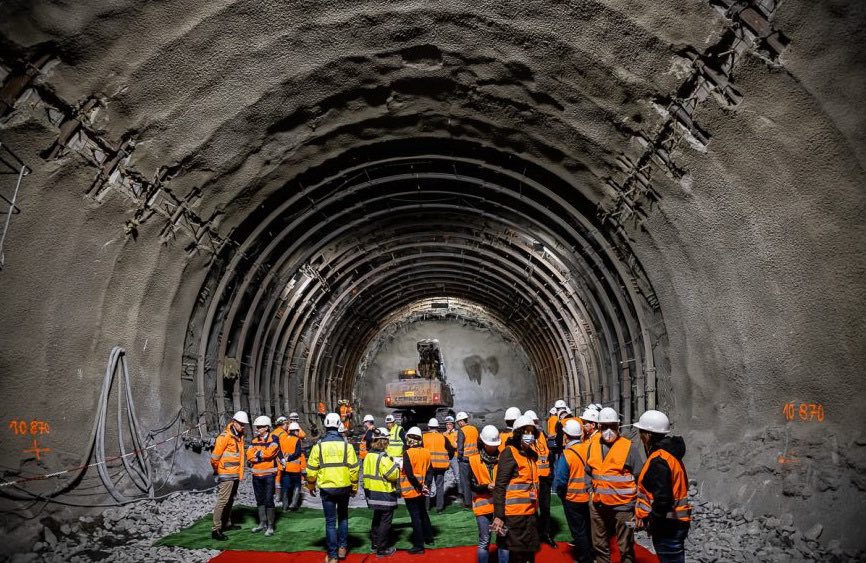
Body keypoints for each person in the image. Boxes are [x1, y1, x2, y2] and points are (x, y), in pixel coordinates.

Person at [586, 407, 643, 563]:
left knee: (626, 547)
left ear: (618, 427)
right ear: (599, 427)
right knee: (599, 545)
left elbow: (640, 477)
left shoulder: (628, 447)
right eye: (605, 427)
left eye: (612, 426)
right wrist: (590, 492)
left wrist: (638, 506)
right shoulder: (593, 446)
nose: (608, 430)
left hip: (623, 507)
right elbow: (588, 471)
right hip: (598, 505)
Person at [633, 410, 691, 563]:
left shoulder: (659, 460)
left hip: (668, 526)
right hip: (676, 523)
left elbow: (663, 500)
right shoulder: (669, 455)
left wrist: (651, 521)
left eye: (641, 432)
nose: (640, 437)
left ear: (648, 435)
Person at [306, 412, 360, 563]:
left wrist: (311, 485)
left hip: (327, 488)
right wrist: (354, 486)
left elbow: (311, 470)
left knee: (330, 522)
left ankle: (333, 555)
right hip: (344, 487)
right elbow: (354, 469)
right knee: (343, 517)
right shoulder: (347, 446)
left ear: (326, 426)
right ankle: (342, 548)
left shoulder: (318, 447)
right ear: (338, 426)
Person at [490, 415, 540, 563]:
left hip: (530, 513)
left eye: (532, 432)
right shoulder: (509, 453)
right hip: (514, 515)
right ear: (518, 433)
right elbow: (500, 486)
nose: (529, 436)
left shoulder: (530, 455)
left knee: (528, 554)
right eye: (526, 432)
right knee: (516, 555)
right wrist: (499, 515)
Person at [469, 425, 509, 563]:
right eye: (489, 445)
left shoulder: (503, 458)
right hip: (483, 506)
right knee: (484, 541)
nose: (493, 447)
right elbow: (471, 485)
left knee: (503, 540)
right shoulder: (473, 460)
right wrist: (487, 487)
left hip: (501, 507)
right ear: (483, 442)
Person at [554, 418, 592, 563]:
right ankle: (590, 554)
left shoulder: (567, 454)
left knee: (579, 531)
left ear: (566, 435)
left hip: (573, 498)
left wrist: (561, 494)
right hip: (589, 496)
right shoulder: (589, 449)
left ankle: (584, 559)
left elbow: (561, 480)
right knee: (588, 528)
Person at [210, 410, 248, 540]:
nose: (243, 427)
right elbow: (214, 457)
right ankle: (216, 529)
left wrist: (240, 473)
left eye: (244, 424)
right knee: (222, 501)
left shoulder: (239, 436)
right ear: (234, 422)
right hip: (226, 474)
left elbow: (240, 456)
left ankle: (226, 523)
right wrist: (217, 471)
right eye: (241, 424)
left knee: (230, 499)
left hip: (235, 474)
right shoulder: (225, 436)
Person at [362, 427, 400, 558]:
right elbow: (393, 475)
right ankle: (382, 549)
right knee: (385, 521)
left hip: (371, 493)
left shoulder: (368, 456)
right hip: (384, 493)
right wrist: (396, 465)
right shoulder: (383, 457)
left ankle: (375, 544)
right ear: (384, 441)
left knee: (377, 519)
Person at [400, 426, 433, 554]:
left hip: (412, 490)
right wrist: (426, 486)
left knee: (415, 517)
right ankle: (429, 537)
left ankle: (419, 546)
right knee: (423, 513)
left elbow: (409, 474)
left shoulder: (407, 453)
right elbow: (430, 470)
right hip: (423, 489)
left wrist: (419, 487)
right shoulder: (426, 452)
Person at [525, 410, 556, 547]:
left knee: (545, 508)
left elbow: (549, 455)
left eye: (537, 422)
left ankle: (546, 533)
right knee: (532, 509)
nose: (536, 425)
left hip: (544, 479)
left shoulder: (542, 435)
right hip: (532, 480)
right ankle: (533, 535)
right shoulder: (526, 438)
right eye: (534, 423)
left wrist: (550, 473)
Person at [246, 415, 280, 536]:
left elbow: (271, 453)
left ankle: (270, 526)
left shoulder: (274, 439)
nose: (258, 429)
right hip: (256, 475)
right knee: (259, 500)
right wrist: (260, 455)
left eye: (260, 427)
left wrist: (257, 455)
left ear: (266, 427)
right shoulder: (254, 441)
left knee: (269, 500)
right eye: (257, 427)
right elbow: (249, 455)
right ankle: (262, 523)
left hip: (269, 475)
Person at [422, 417, 455, 513]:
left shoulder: (424, 437)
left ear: (429, 427)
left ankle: (426, 507)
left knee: (427, 486)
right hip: (441, 466)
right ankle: (439, 508)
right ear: (437, 427)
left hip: (428, 466)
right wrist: (446, 458)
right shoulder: (443, 437)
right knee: (440, 486)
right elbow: (451, 450)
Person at [279, 422, 305, 511]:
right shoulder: (297, 440)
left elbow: (278, 451)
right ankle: (293, 505)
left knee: (285, 487)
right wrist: (289, 458)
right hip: (295, 469)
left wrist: (283, 459)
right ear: (296, 431)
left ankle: (285, 506)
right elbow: (297, 453)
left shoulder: (283, 439)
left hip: (285, 468)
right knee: (297, 486)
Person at [456, 411, 479, 508]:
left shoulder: (462, 431)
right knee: (475, 480)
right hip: (475, 459)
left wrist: (459, 457)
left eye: (458, 422)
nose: (458, 424)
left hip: (465, 460)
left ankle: (468, 502)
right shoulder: (474, 429)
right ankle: (477, 500)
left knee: (465, 481)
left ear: (461, 421)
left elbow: (460, 447)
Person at [443, 416, 461, 499]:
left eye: (450, 424)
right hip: (446, 456)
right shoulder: (444, 434)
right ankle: (444, 493)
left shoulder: (457, 433)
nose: (448, 426)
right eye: (447, 424)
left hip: (454, 456)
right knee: (444, 476)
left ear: (453, 425)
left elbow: (456, 445)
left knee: (457, 475)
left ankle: (460, 493)